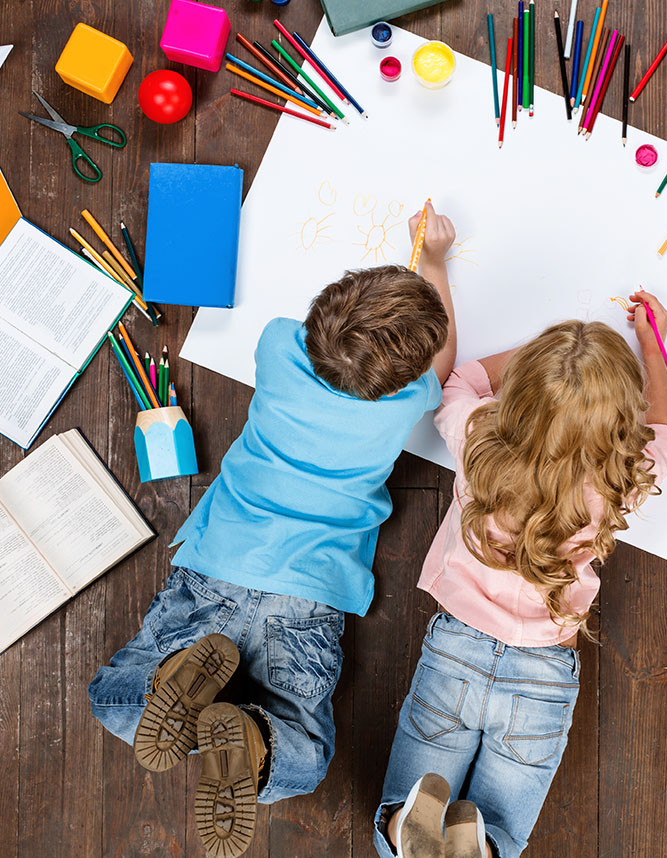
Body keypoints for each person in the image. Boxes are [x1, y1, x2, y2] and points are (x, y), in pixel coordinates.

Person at [88, 204, 458, 858]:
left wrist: (405, 273)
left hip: (218, 566)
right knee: (298, 756)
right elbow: (444, 359)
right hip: (307, 597)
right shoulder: (412, 399)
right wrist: (433, 261)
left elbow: (359, 337)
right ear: (405, 380)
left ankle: (197, 699)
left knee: (119, 704)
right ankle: (248, 738)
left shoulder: (279, 343)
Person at [374, 292, 667, 858]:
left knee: (416, 802)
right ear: (618, 421)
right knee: (502, 830)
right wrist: (649, 342)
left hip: (456, 652)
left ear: (519, 393)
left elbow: (458, 381)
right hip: (543, 670)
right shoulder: (622, 476)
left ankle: (407, 826)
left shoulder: (479, 443)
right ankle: (461, 846)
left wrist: (548, 359)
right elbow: (666, 430)